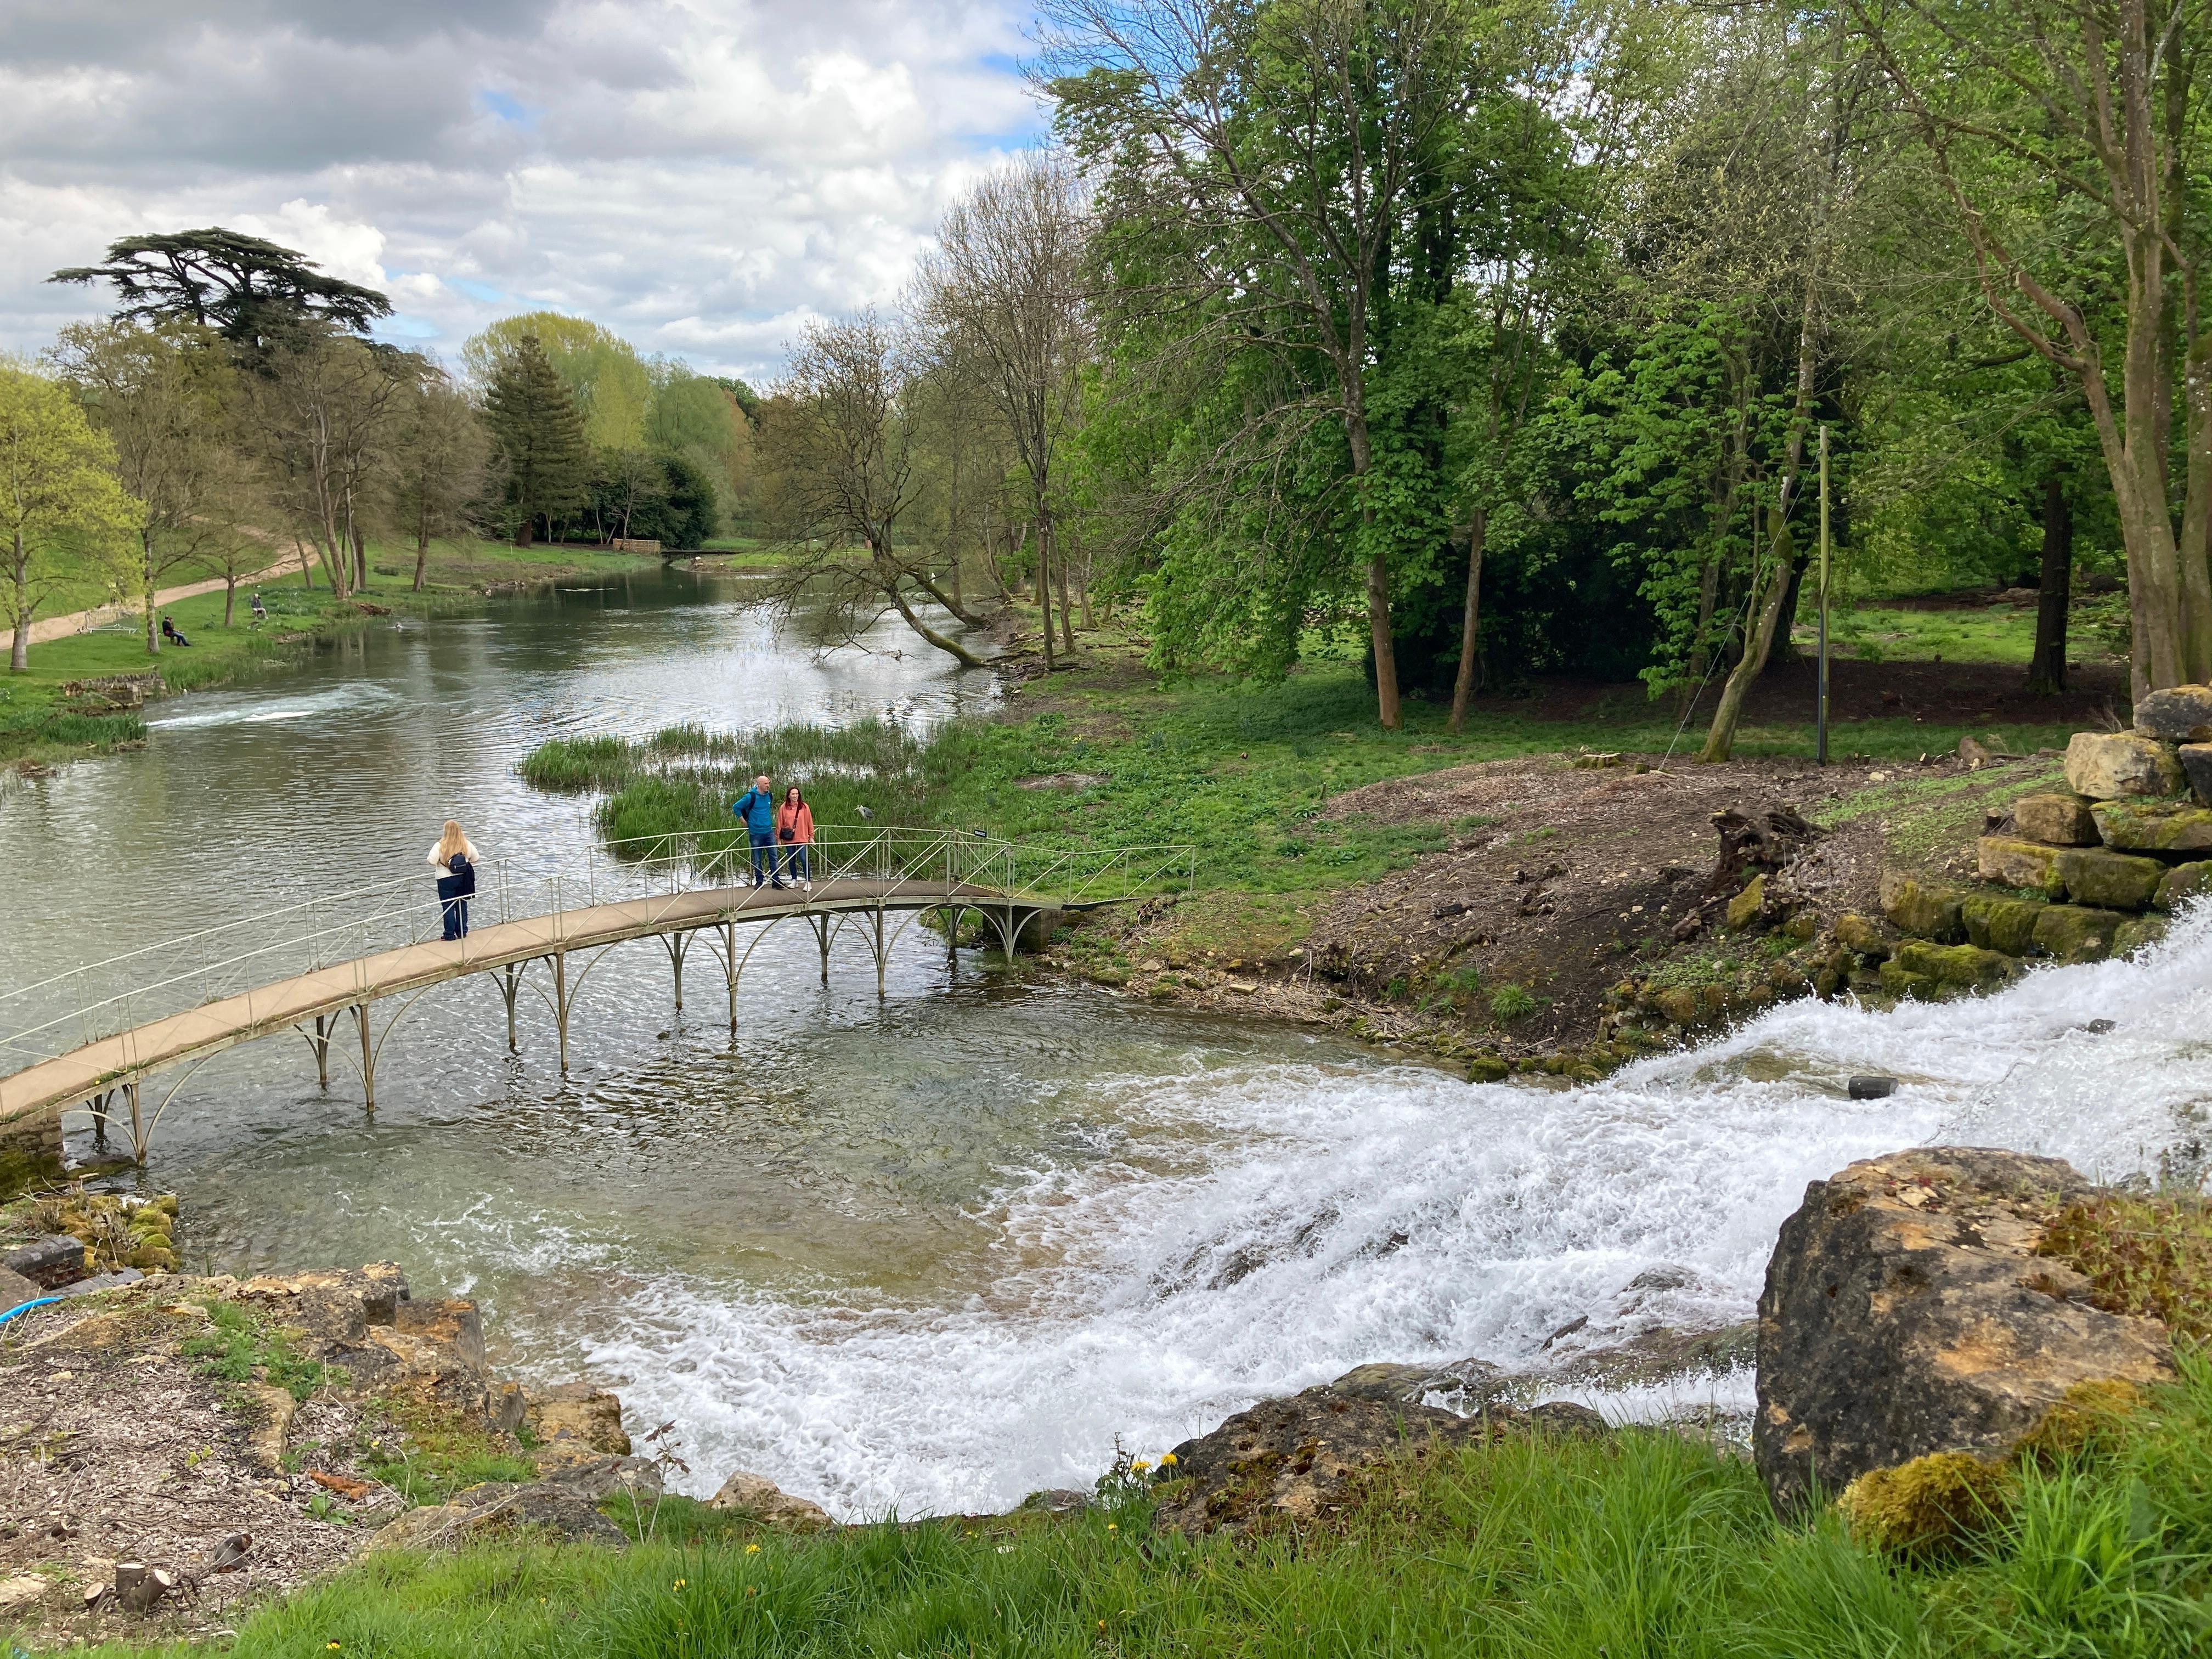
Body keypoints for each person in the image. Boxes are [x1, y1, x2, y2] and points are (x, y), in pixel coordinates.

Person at [427, 819, 479, 940]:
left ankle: (449, 934)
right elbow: (476, 858)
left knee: (448, 906)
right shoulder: (466, 843)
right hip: (463, 878)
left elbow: (431, 861)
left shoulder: (439, 845)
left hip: (445, 879)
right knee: (462, 904)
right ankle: (462, 931)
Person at [730, 775, 777, 888]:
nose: (768, 786)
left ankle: (776, 881)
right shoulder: (750, 797)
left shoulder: (769, 796)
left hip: (769, 831)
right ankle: (759, 881)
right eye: (766, 784)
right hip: (756, 832)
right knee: (757, 858)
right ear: (759, 784)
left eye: (769, 783)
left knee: (774, 857)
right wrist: (743, 821)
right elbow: (736, 807)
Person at [776, 785, 815, 892]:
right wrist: (778, 838)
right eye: (793, 794)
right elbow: (779, 823)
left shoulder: (804, 807)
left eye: (797, 794)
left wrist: (811, 836)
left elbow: (809, 822)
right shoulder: (783, 808)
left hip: (802, 837)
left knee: (803, 859)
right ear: (789, 796)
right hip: (789, 838)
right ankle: (794, 879)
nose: (795, 796)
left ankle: (808, 882)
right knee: (791, 859)